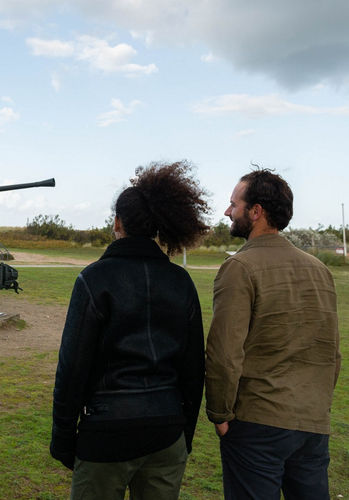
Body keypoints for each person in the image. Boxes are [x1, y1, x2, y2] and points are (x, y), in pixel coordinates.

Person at [50, 161, 209, 500]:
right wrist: (184, 431)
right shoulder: (181, 282)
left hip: (105, 433)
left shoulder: (94, 279)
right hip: (167, 432)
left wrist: (63, 437)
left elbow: (73, 366)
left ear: (117, 222)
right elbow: (194, 367)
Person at [205, 168, 341, 500]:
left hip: (257, 422)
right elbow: (332, 351)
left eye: (233, 204)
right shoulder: (319, 269)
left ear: (256, 212)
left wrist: (220, 415)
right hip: (312, 423)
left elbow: (224, 353)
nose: (227, 212)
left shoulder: (239, 267)